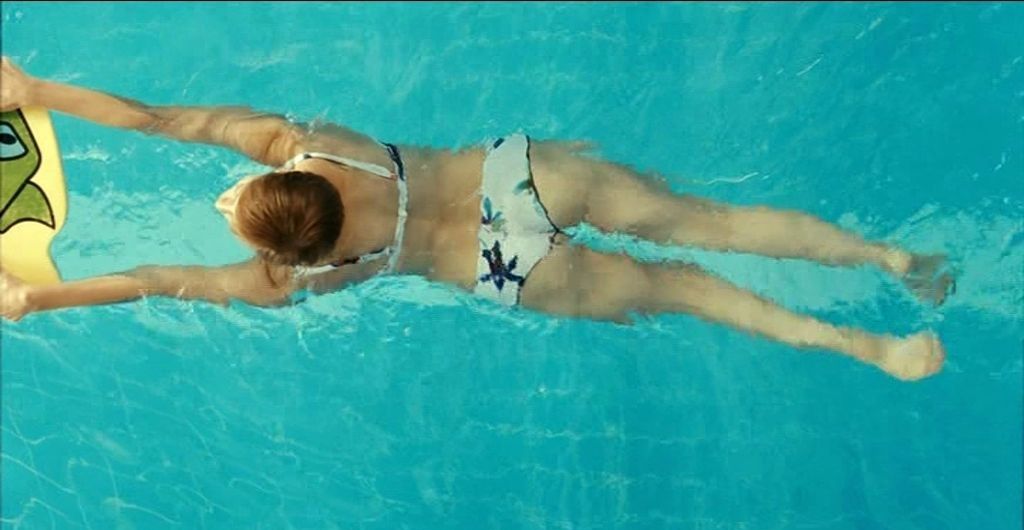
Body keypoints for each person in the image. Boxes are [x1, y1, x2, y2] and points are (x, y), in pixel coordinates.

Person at [0, 57, 954, 381]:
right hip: (517, 178)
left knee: (692, 295)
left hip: (504, 269)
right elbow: (160, 120)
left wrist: (36, 302)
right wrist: (36, 90)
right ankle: (887, 257)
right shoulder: (309, 143)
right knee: (715, 226)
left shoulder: (283, 280)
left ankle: (868, 350)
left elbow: (153, 282)